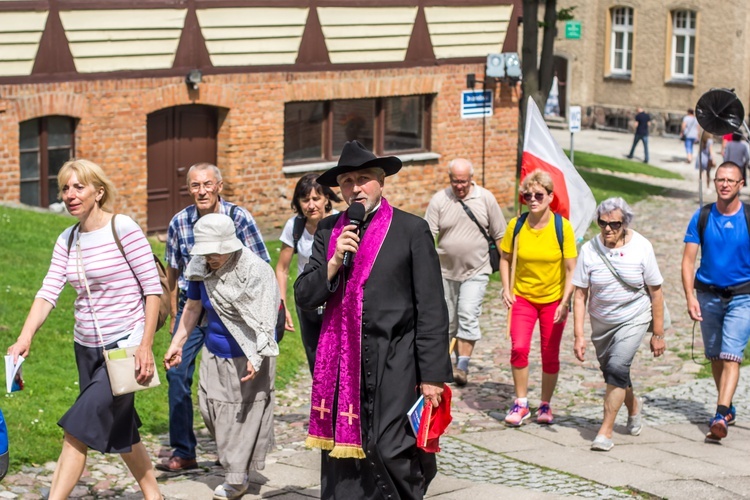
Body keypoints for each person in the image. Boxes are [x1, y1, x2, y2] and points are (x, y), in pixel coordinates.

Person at [294, 140, 452, 499]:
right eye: (347, 181)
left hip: (395, 356)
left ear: (381, 182)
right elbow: (305, 295)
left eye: (363, 178)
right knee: (344, 453)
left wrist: (432, 376)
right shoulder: (329, 229)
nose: (355, 187)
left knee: (388, 446)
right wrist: (333, 262)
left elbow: (430, 305)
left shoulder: (410, 229)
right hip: (341, 361)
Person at [7, 159, 163, 500]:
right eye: (65, 188)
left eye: (79, 187)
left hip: (125, 345)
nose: (70, 195)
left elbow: (153, 289)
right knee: (120, 426)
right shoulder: (67, 238)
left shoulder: (123, 228)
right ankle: (155, 496)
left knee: (77, 428)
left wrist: (145, 345)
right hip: (87, 348)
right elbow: (49, 290)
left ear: (98, 191)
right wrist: (24, 336)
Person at [160, 162, 270, 472]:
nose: (202, 190)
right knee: (176, 374)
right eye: (195, 185)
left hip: (233, 311)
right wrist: (173, 316)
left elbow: (261, 267)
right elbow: (173, 270)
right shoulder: (179, 223)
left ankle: (234, 451)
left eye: (208, 184)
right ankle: (184, 449)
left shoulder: (239, 218)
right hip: (192, 306)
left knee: (233, 384)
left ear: (219, 186)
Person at [164, 213, 279, 500]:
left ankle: (236, 479)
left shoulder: (255, 270)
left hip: (247, 356)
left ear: (231, 245)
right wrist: (178, 343)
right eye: (205, 251)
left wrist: (256, 356)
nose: (209, 257)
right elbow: (192, 308)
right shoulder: (201, 266)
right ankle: (236, 466)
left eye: (214, 251)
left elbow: (266, 319)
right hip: (214, 352)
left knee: (241, 417)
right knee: (211, 410)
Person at [572, 197, 666, 452]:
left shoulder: (642, 247)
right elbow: (579, 295)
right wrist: (579, 335)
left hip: (634, 317)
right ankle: (634, 405)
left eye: (614, 224)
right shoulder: (589, 251)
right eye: (603, 223)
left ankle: (605, 431)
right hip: (602, 323)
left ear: (625, 222)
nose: (608, 229)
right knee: (614, 372)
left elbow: (656, 292)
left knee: (616, 366)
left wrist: (658, 333)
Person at [499, 169, 577, 426]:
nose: (533, 199)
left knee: (549, 353)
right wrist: (506, 288)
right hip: (523, 298)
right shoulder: (517, 225)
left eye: (538, 195)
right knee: (519, 348)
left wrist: (565, 302)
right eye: (527, 195)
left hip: (553, 300)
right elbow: (505, 258)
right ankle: (521, 403)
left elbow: (570, 269)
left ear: (550, 196)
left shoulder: (561, 227)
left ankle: (545, 404)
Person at [682, 161, 750, 442]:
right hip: (707, 294)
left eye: (730, 180)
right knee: (714, 355)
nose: (724, 184)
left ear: (740, 185)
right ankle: (729, 404)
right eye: (719, 179)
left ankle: (720, 414)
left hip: (742, 296)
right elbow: (688, 261)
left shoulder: (748, 216)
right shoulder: (703, 215)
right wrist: (689, 297)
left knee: (730, 354)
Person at [424, 158, 506, 386]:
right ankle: (446, 363)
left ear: (471, 179)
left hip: (476, 269)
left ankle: (462, 366)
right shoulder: (440, 200)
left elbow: (500, 235)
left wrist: (509, 273)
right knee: (447, 320)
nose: (459, 186)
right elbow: (426, 237)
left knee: (467, 314)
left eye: (463, 181)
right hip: (445, 271)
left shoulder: (485, 198)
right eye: (455, 181)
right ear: (449, 179)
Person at [275, 173, 341, 374]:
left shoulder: (340, 222)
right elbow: (282, 268)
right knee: (315, 359)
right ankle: (322, 403)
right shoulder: (294, 227)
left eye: (316, 199)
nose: (311, 205)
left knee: (338, 358)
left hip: (336, 299)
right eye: (305, 200)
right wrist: (282, 304)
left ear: (326, 199)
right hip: (308, 300)